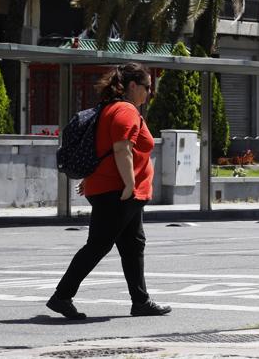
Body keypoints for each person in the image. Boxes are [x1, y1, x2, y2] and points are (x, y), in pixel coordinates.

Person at [47, 63, 170, 320]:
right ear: (133, 86)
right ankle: (61, 296)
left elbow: (102, 149)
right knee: (98, 245)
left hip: (114, 189)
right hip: (119, 192)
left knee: (133, 245)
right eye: (147, 87)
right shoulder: (125, 110)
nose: (149, 92)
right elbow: (121, 148)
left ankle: (141, 301)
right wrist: (129, 184)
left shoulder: (109, 108)